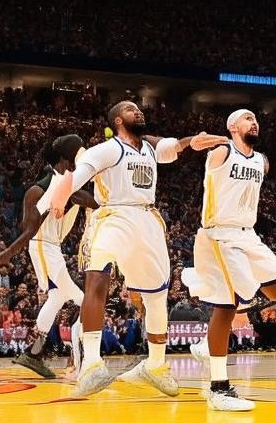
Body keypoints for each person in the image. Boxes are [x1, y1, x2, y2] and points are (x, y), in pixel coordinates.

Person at [48, 100, 226, 397]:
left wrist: (191, 141)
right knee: (97, 278)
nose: (138, 111)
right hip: (114, 215)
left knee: (157, 296)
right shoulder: (107, 149)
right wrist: (61, 195)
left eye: (138, 108)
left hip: (147, 219)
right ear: (118, 120)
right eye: (130, 109)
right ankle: (91, 365)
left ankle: (155, 365)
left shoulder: (149, 146)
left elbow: (173, 146)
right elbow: (78, 176)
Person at [182, 109, 276, 411]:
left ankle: (206, 344)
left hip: (249, 235)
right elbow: (198, 145)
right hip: (219, 235)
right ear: (232, 126)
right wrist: (212, 139)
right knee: (228, 304)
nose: (254, 122)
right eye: (247, 118)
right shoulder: (222, 151)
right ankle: (219, 388)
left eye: (255, 119)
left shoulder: (261, 161)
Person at [0, 135, 98, 378]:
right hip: (44, 246)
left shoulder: (63, 182)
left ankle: (33, 353)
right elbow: (30, 229)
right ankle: (81, 356)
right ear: (69, 158)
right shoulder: (50, 185)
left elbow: (85, 199)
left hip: (50, 246)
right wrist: (8, 253)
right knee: (85, 302)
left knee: (57, 297)